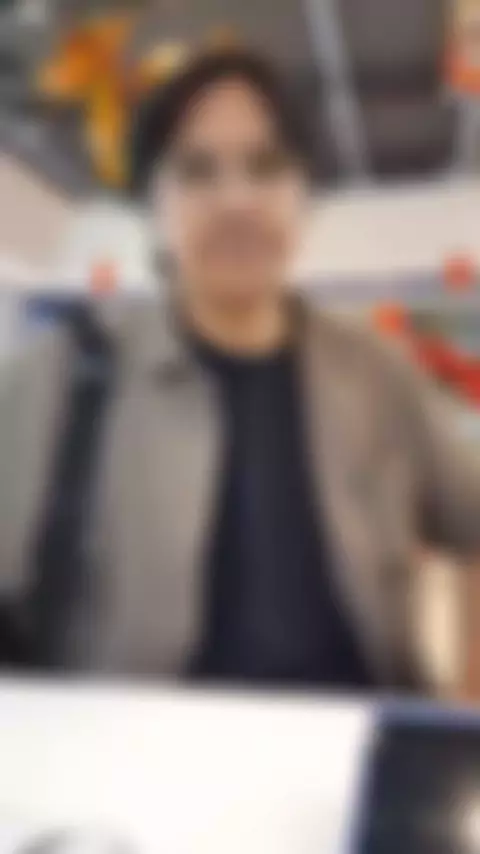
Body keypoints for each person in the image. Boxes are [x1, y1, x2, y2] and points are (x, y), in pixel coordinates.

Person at [0, 46, 479, 695]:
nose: (236, 200)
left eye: (267, 165)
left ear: (304, 198)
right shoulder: (59, 380)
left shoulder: (376, 374)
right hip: (136, 747)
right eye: (197, 170)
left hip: (360, 735)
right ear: (152, 209)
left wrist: (463, 706)